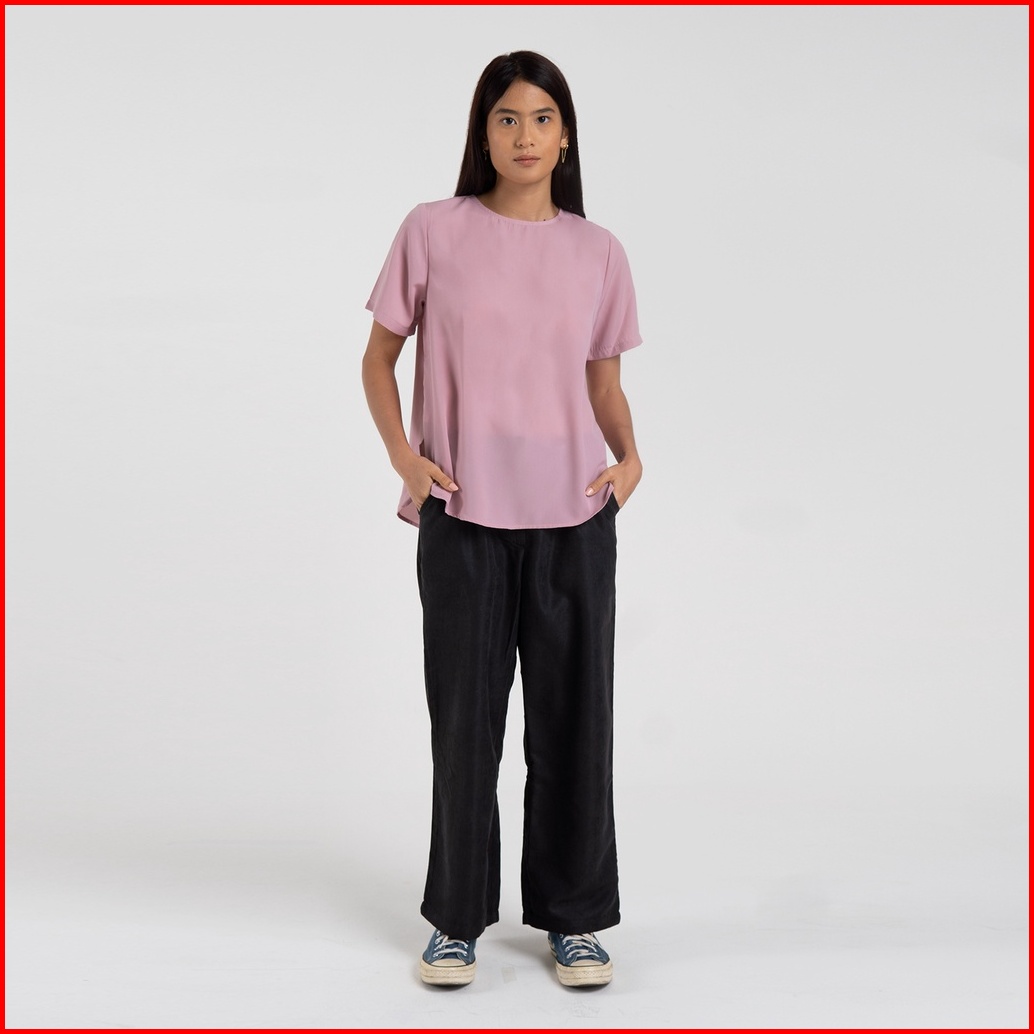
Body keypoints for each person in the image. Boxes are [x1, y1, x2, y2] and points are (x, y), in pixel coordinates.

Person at [361, 50, 643, 988]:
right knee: (465, 728)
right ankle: (455, 922)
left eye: (542, 119)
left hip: (574, 515)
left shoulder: (598, 251)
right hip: (464, 514)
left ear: (566, 138)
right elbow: (378, 358)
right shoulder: (432, 231)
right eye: (507, 118)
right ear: (483, 133)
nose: (525, 136)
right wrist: (405, 460)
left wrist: (631, 458)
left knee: (574, 725)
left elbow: (603, 381)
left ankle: (575, 920)